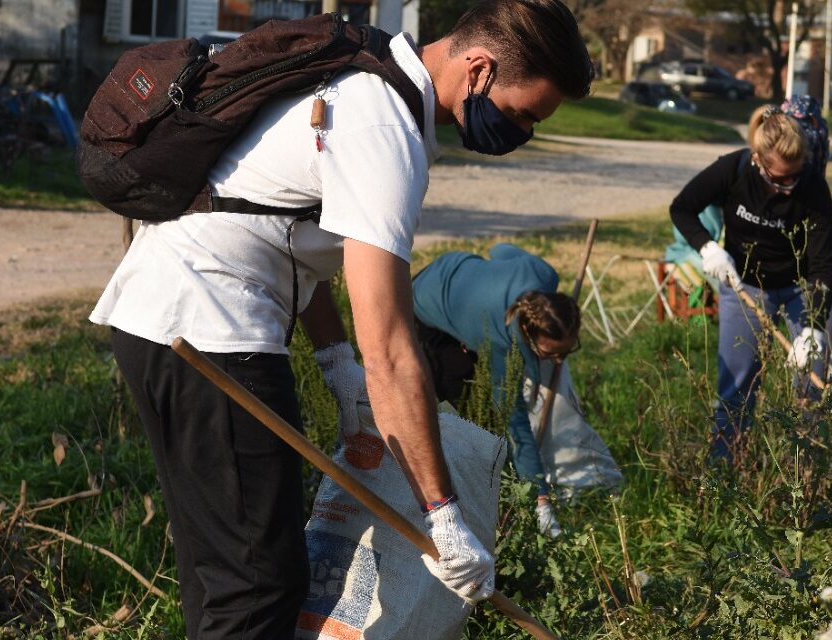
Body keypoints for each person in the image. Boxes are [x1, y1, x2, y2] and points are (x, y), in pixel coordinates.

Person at [90, 1, 593, 636]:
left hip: (169, 318)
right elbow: (389, 344)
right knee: (256, 588)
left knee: (230, 577)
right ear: (480, 70)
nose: (520, 132)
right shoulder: (384, 130)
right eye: (522, 113)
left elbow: (283, 230)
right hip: (210, 331)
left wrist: (335, 363)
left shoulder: (369, 79)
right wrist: (442, 513)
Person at [669, 105, 832, 462]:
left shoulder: (813, 187)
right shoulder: (732, 169)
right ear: (759, 161)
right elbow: (681, 207)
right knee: (737, 386)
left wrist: (813, 327)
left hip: (799, 289)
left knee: (810, 383)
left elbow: (823, 263)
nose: (788, 187)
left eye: (795, 176)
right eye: (780, 180)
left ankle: (804, 474)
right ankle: (724, 471)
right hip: (745, 286)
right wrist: (708, 247)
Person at [412, 243, 581, 537]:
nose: (557, 361)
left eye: (566, 352)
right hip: (420, 307)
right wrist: (541, 499)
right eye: (550, 353)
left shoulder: (542, 273)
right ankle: (476, 500)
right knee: (483, 418)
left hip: (456, 265)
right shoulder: (502, 345)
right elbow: (516, 426)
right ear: (527, 333)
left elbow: (500, 250)